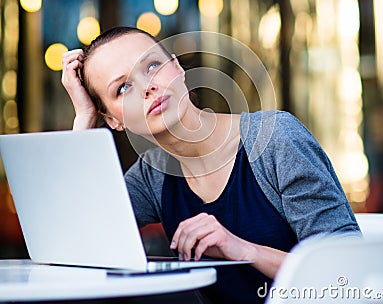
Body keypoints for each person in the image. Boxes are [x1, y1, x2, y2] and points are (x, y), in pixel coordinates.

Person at [61, 26, 360, 304]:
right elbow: (76, 242)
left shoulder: (275, 140)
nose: (147, 87)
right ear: (114, 120)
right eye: (123, 88)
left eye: (152, 66)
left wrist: (244, 250)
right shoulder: (152, 176)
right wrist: (84, 119)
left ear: (177, 68)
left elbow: (348, 274)